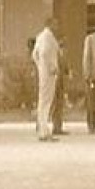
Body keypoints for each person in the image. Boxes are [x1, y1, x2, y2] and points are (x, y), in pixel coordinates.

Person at [31, 14, 60, 143]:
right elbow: (43, 53)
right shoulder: (47, 38)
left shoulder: (40, 37)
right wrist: (50, 67)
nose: (57, 26)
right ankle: (43, 131)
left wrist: (39, 67)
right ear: (50, 24)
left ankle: (43, 129)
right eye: (55, 24)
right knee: (45, 102)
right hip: (48, 74)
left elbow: (34, 54)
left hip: (44, 73)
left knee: (44, 101)